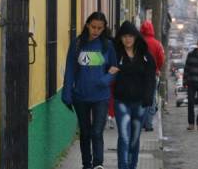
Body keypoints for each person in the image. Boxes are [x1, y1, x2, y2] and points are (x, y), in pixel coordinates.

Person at [62, 12, 118, 169]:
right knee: (85, 133)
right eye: (93, 27)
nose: (96, 31)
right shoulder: (77, 44)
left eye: (100, 28)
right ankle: (87, 164)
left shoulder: (108, 46)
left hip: (101, 96)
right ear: (87, 25)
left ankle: (98, 164)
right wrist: (67, 92)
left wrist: (104, 80)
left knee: (97, 132)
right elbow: (70, 69)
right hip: (81, 96)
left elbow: (114, 70)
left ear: (104, 28)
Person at [113, 21, 156, 169]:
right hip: (121, 102)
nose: (127, 39)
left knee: (135, 138)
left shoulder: (146, 57)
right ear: (120, 38)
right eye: (124, 36)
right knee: (124, 137)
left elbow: (151, 79)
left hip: (140, 103)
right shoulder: (115, 54)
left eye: (130, 36)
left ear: (136, 37)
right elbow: (106, 70)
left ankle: (132, 166)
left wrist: (148, 96)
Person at [140, 20, 165, 132]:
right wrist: (157, 68)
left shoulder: (138, 42)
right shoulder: (157, 43)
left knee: (140, 98)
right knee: (151, 98)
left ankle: (139, 124)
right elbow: (161, 59)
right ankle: (148, 124)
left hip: (139, 74)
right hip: (152, 75)